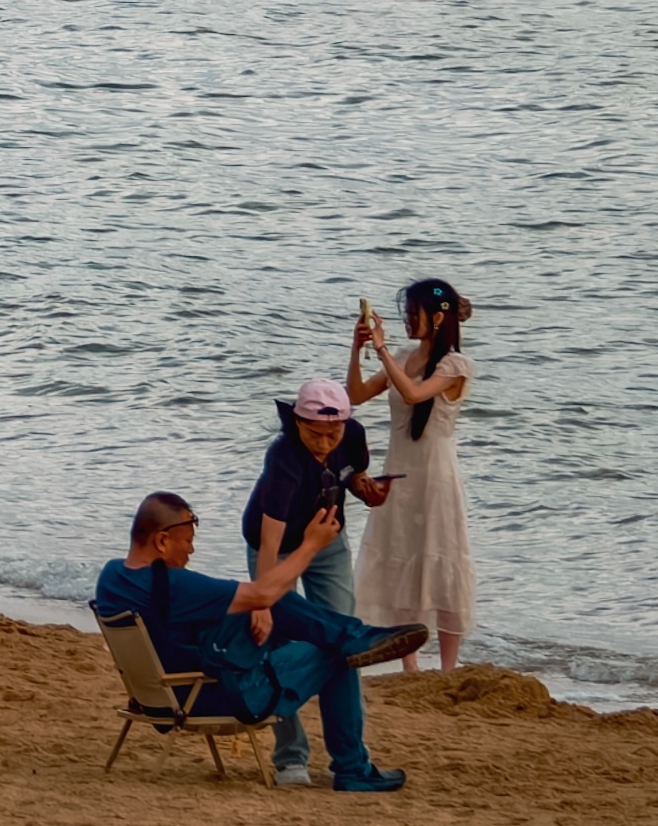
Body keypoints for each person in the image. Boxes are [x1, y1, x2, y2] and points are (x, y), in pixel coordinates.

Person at [93, 491, 428, 726]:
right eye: (188, 542)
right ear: (162, 541)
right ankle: (354, 768)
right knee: (333, 650)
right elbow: (263, 592)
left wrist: (257, 604)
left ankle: (356, 637)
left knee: (264, 608)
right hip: (212, 697)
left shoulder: (111, 577)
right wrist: (311, 544)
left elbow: (246, 599)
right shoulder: (173, 585)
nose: (191, 551)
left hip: (166, 693)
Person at [242, 373, 405, 794]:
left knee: (343, 642)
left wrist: (365, 489)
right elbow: (269, 538)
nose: (325, 443)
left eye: (333, 433)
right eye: (316, 434)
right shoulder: (283, 459)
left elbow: (352, 473)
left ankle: (350, 764)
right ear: (297, 423)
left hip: (328, 543)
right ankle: (290, 758)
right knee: (276, 641)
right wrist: (261, 599)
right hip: (275, 549)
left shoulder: (351, 434)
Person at [351, 277, 477, 671]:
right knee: (400, 552)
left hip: (436, 476)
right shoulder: (403, 356)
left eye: (414, 314)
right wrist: (358, 350)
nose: (409, 320)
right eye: (406, 314)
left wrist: (381, 347)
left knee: (442, 556)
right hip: (399, 471)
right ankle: (410, 666)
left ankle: (448, 667)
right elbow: (354, 395)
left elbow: (414, 394)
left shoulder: (456, 365)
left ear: (439, 317)